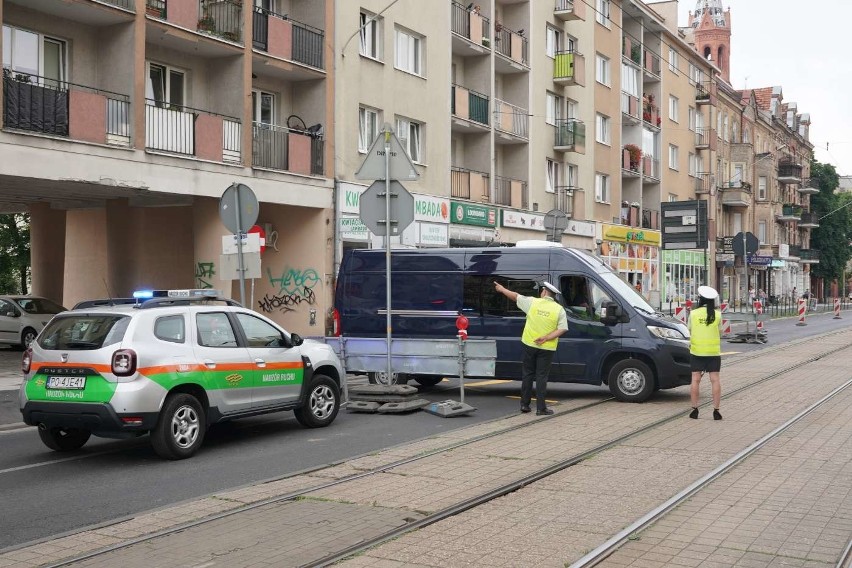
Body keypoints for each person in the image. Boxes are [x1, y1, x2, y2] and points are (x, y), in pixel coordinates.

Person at [494, 280, 568, 416]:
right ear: (553, 295)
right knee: (541, 377)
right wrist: (546, 338)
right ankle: (541, 408)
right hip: (547, 348)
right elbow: (562, 329)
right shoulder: (559, 309)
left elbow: (515, 296)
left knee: (527, 374)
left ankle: (525, 405)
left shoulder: (533, 302)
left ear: (545, 292)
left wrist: (502, 289)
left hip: (529, 345)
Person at [688, 285, 724, 420]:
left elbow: (689, 330)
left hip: (697, 351)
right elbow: (721, 332)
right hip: (713, 352)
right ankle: (716, 411)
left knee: (695, 380)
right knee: (715, 380)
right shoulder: (718, 315)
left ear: (700, 300)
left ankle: (695, 410)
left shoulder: (693, 313)